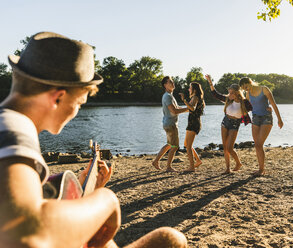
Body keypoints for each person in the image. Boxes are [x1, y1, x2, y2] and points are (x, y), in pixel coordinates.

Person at [0, 32, 187, 248]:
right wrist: (106, 200)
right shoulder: (12, 129)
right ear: (58, 97)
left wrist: (82, 192)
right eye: (79, 103)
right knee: (171, 239)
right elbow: (25, 237)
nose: (76, 112)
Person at [205, 75, 252, 174]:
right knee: (225, 147)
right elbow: (215, 94)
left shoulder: (244, 103)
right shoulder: (228, 100)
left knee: (230, 147)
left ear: (236, 93)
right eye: (229, 92)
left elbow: (255, 107)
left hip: (235, 124)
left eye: (231, 93)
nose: (229, 94)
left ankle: (238, 163)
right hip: (225, 122)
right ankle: (227, 168)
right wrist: (210, 82)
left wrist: (267, 109)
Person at [239, 77, 283, 176]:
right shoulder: (248, 94)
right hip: (255, 118)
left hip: (266, 118)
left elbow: (273, 104)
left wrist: (279, 119)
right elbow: (248, 108)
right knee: (257, 145)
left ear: (250, 82)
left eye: (246, 86)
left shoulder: (264, 89)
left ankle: (261, 169)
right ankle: (261, 169)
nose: (246, 89)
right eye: (244, 89)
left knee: (259, 144)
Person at [152, 76, 188, 172]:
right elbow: (174, 111)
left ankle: (156, 161)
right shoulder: (167, 96)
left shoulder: (169, 95)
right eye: (170, 82)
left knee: (169, 144)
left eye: (172, 81)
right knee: (174, 146)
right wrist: (188, 109)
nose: (172, 83)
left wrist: (188, 109)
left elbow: (177, 108)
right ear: (165, 85)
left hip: (168, 123)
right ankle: (168, 167)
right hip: (171, 124)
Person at [179, 82, 205, 172]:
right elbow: (189, 109)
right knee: (186, 144)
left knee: (188, 146)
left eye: (190, 88)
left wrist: (184, 100)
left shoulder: (195, 97)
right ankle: (197, 160)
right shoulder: (196, 98)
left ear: (194, 89)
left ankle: (191, 167)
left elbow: (192, 108)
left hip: (193, 123)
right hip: (193, 123)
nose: (188, 89)